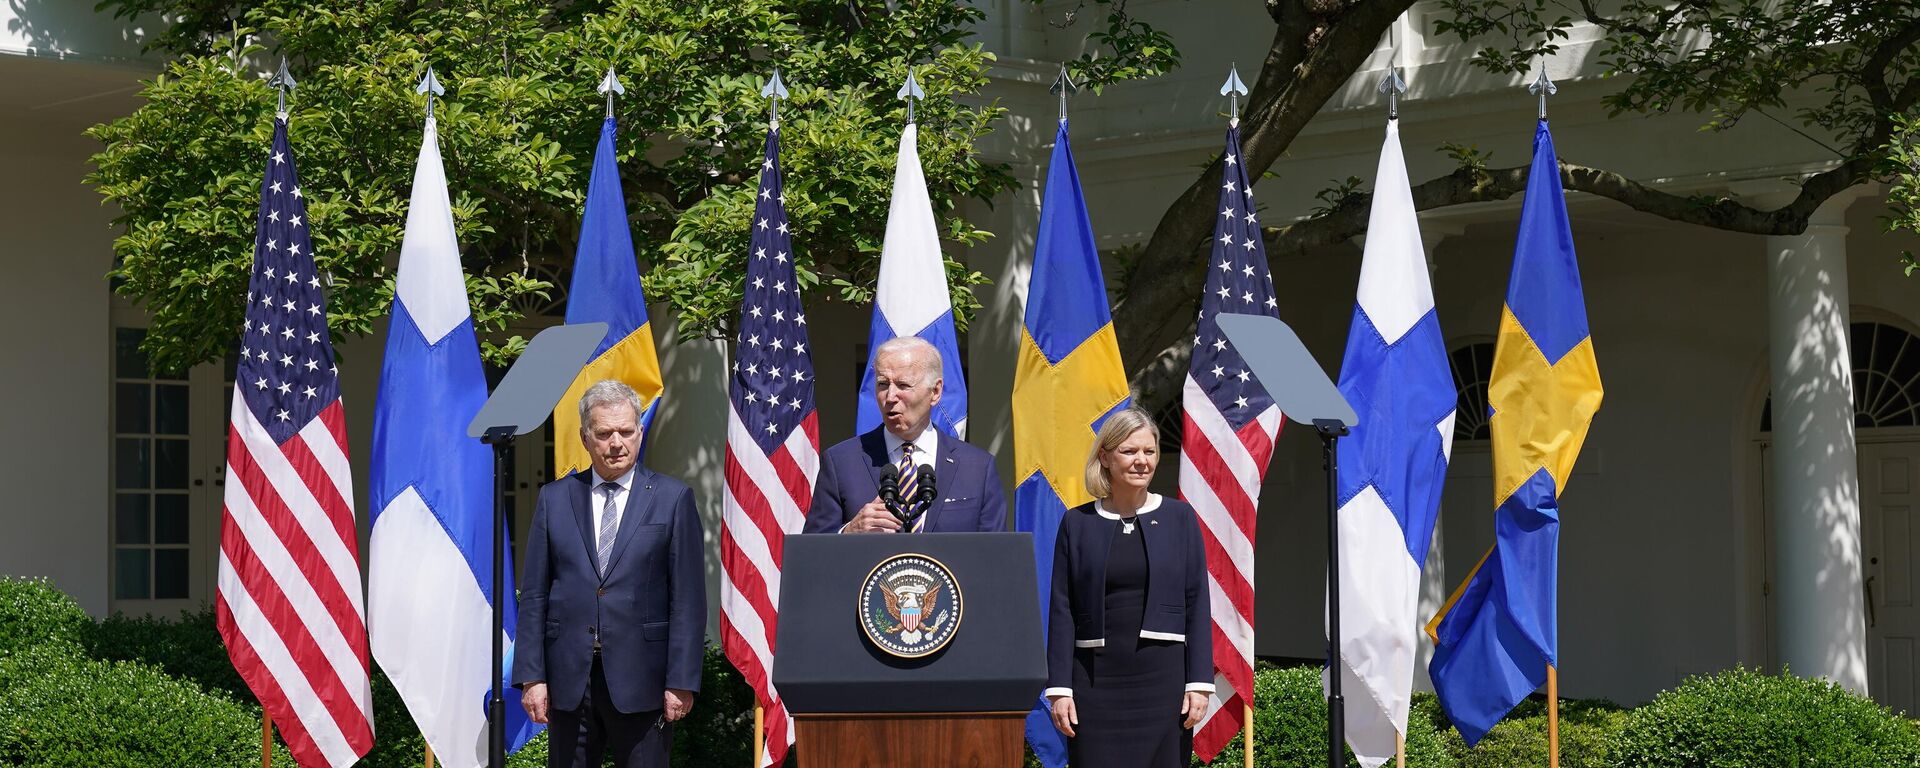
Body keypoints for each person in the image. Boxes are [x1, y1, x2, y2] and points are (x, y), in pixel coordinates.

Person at [514, 380, 706, 768]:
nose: (616, 442)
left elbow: (687, 598)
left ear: (639, 432)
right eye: (604, 433)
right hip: (570, 681)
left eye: (626, 431)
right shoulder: (554, 499)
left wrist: (681, 680)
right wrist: (532, 676)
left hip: (644, 681)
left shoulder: (672, 499)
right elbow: (535, 593)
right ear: (585, 438)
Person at [1044, 407, 1214, 767]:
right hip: (1093, 683)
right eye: (1129, 451)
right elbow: (1062, 608)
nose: (1141, 461)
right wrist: (1060, 689)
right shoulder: (1077, 523)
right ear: (1104, 456)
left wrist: (1199, 681)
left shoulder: (1181, 519)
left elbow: (1197, 601)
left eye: (1149, 452)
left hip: (1163, 682)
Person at [804, 336, 1006, 533]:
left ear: (935, 392)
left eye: (903, 385)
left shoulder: (978, 468)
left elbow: (996, 556)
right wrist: (849, 532)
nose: (890, 397)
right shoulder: (841, 462)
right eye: (883, 384)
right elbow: (810, 554)